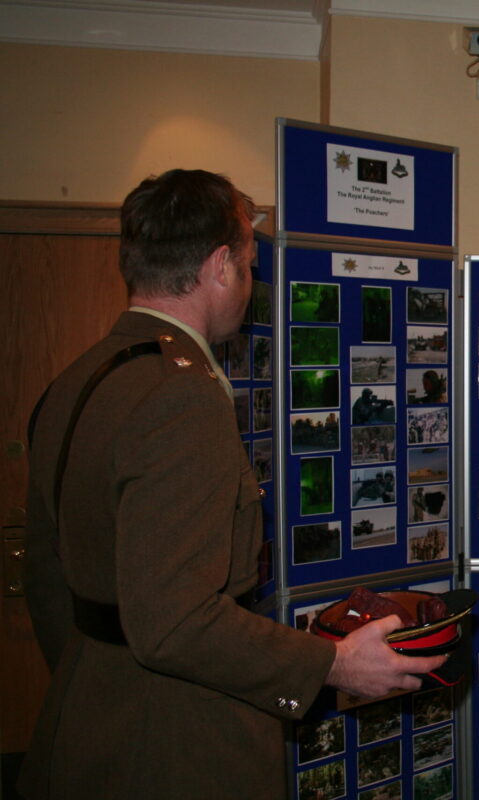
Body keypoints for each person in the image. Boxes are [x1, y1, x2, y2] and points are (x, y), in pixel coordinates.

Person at [20, 169, 446, 799]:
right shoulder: (180, 396)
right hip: (176, 744)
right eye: (248, 265)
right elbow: (175, 622)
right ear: (220, 266)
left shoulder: (77, 381)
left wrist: (99, 679)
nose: (250, 285)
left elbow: (48, 579)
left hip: (88, 723)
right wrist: (333, 662)